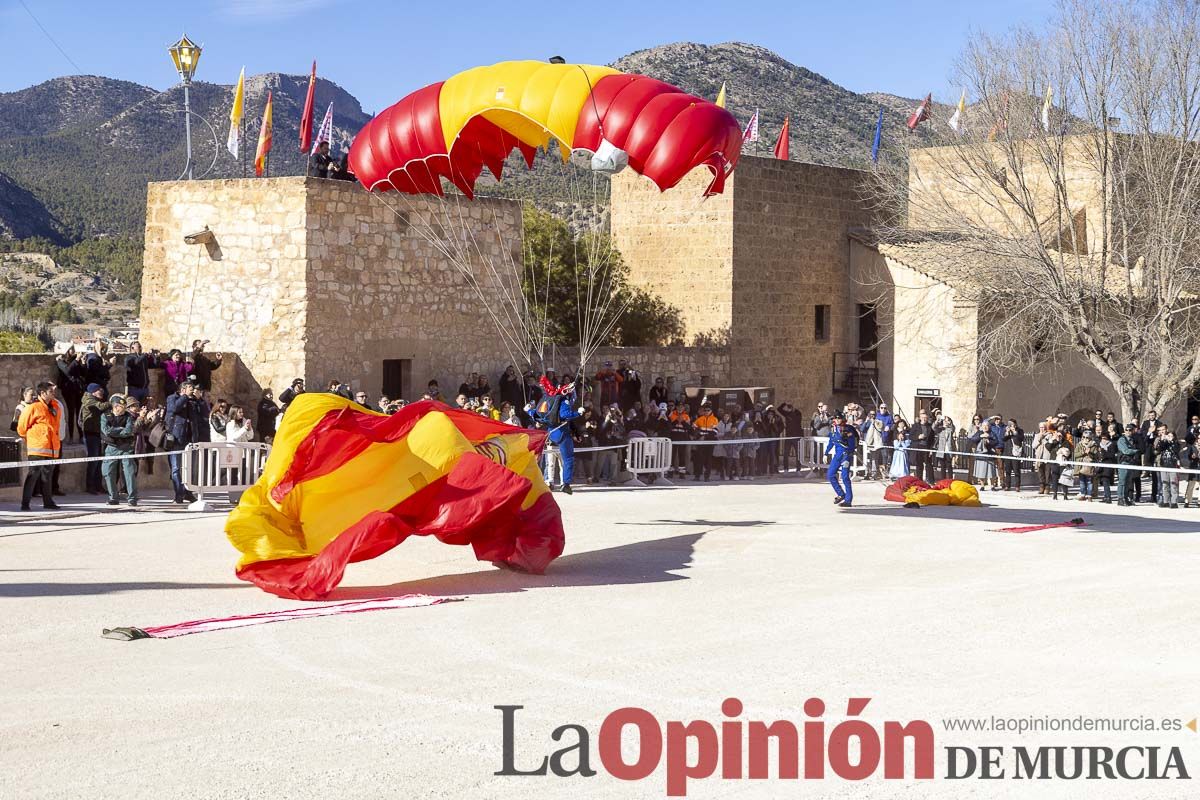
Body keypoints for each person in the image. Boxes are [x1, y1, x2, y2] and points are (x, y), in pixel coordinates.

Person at [16, 382, 62, 511]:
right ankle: (25, 504)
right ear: (43, 393)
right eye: (51, 391)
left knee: (47, 476)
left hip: (52, 448)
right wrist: (33, 439)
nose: (54, 393)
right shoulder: (33, 407)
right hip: (38, 447)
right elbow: (21, 428)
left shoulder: (55, 407)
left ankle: (48, 502)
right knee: (33, 475)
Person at [532, 380, 580, 494]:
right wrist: (579, 413)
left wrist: (529, 410)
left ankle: (549, 481)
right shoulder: (563, 400)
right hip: (561, 432)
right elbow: (565, 415)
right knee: (567, 459)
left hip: (550, 432)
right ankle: (566, 484)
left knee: (551, 461)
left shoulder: (547, 400)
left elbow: (538, 414)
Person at [100, 394, 143, 507]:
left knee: (129, 472)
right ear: (115, 407)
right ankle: (113, 497)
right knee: (108, 472)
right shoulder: (105, 416)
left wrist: (116, 431)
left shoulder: (128, 416)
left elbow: (129, 431)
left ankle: (132, 498)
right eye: (121, 407)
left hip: (126, 447)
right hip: (111, 447)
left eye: (124, 408)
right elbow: (106, 431)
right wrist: (120, 430)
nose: (123, 409)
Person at [165, 382, 202, 504]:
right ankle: (179, 494)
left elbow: (199, 416)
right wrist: (185, 397)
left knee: (189, 468)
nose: (192, 391)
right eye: (190, 389)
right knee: (176, 468)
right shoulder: (172, 398)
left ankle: (188, 493)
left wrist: (197, 400)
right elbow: (174, 408)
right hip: (176, 439)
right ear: (183, 389)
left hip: (189, 440)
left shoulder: (192, 401)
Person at [79, 383, 111, 494]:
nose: (101, 392)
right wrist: (113, 402)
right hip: (90, 433)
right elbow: (101, 407)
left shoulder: (97, 400)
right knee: (93, 461)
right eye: (98, 390)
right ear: (93, 392)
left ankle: (98, 485)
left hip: (98, 433)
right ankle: (90, 486)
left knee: (99, 461)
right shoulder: (88, 400)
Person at [825, 412, 860, 507]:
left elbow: (852, 443)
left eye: (839, 418)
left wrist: (849, 451)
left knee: (845, 477)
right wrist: (826, 453)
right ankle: (841, 494)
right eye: (835, 419)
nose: (837, 420)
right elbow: (831, 442)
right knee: (830, 474)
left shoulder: (847, 429)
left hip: (846, 456)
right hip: (837, 456)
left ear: (842, 419)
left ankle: (848, 500)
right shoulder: (833, 429)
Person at [55, 347, 85, 442]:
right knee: (71, 412)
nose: (74, 351)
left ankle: (81, 436)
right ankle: (71, 437)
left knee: (79, 412)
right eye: (71, 349)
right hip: (68, 390)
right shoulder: (61, 361)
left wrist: (83, 363)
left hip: (77, 389)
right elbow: (67, 371)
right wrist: (76, 360)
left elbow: (83, 373)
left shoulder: (76, 360)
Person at [692, 403, 719, 481]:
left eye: (708, 410)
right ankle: (697, 476)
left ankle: (707, 476)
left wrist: (705, 435)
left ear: (711, 411)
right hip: (701, 442)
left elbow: (715, 431)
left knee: (708, 459)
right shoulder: (700, 419)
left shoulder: (715, 419)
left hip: (710, 442)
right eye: (705, 410)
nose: (706, 411)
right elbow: (694, 428)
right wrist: (700, 436)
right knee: (699, 459)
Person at [1116, 423, 1141, 506]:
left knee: (1128, 482)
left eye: (1130, 430)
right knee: (1122, 481)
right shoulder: (1122, 440)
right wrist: (1135, 451)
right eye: (1126, 429)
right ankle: (1120, 498)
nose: (1128, 431)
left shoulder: (1133, 440)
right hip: (1123, 462)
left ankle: (1126, 497)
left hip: (1131, 462)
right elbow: (1125, 451)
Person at [1156, 430, 1181, 509]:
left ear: (1174, 437)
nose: (1169, 437)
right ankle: (1166, 501)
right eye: (1168, 436)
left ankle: (1174, 502)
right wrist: (1163, 439)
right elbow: (1159, 448)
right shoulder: (1164, 443)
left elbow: (1176, 450)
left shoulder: (1176, 444)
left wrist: (1171, 441)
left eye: (1171, 436)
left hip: (1173, 466)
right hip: (1164, 465)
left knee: (1173, 484)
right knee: (1165, 483)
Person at [908, 410, 936, 483]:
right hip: (918, 447)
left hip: (926, 447)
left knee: (929, 464)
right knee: (919, 464)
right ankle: (919, 480)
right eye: (923, 418)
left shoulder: (930, 427)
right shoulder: (915, 426)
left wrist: (931, 449)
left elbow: (932, 439)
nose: (924, 419)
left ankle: (930, 480)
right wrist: (918, 437)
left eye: (925, 418)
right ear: (920, 418)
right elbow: (910, 436)